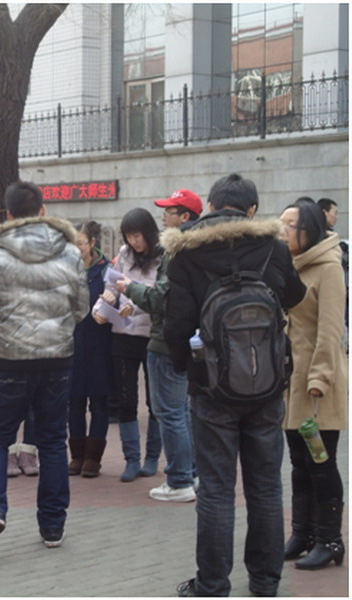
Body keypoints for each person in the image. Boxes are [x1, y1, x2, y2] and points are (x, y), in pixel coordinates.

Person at [164, 174, 306, 597]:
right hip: (267, 385)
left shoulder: (187, 252)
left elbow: (176, 326)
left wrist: (187, 370)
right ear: (252, 210)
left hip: (211, 389)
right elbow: (294, 296)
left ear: (209, 207)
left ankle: (212, 584)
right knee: (266, 487)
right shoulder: (273, 248)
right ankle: (265, 581)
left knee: (216, 490)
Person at [0, 181, 88, 552]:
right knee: (52, 439)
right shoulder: (69, 251)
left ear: (8, 215)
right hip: (58, 357)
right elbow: (81, 306)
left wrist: (4, 329)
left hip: (10, 358)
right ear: (42, 210)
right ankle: (52, 526)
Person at [117, 190, 202, 501]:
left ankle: (179, 480)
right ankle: (190, 473)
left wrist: (131, 289)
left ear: (185, 217)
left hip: (167, 340)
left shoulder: (177, 251)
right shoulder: (200, 248)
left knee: (171, 413)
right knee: (181, 411)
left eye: (170, 212)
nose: (164, 218)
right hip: (183, 340)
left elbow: (161, 299)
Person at [279, 198, 347, 570]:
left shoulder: (328, 267)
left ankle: (330, 540)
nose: (283, 231)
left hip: (318, 385)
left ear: (308, 230)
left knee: (321, 461)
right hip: (292, 382)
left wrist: (319, 378)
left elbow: (331, 329)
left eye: (290, 225)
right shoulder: (290, 265)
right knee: (299, 463)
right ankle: (302, 534)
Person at [92, 208, 162, 482]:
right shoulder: (123, 255)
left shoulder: (163, 257)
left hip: (152, 336)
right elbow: (111, 285)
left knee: (155, 401)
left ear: (148, 232)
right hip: (123, 334)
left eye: (138, 235)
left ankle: (152, 457)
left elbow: (160, 295)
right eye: (129, 236)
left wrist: (134, 306)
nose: (134, 241)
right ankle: (131, 459)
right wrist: (103, 305)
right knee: (126, 399)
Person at [68, 221, 113, 478]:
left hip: (99, 344)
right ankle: (76, 455)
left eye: (81, 244)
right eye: (72, 244)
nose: (77, 249)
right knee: (74, 402)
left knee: (99, 402)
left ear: (92, 243)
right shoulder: (65, 270)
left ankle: (93, 458)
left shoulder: (106, 271)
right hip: (72, 345)